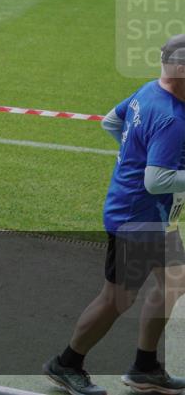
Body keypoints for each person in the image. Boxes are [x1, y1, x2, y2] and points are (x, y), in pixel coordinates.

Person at [44, 34, 185, 395]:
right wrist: (144, 163)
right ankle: (66, 363)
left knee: (173, 282)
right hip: (137, 217)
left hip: (149, 215)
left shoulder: (148, 91)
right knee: (116, 299)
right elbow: (157, 180)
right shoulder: (172, 118)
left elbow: (111, 121)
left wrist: (133, 154)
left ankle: (145, 366)